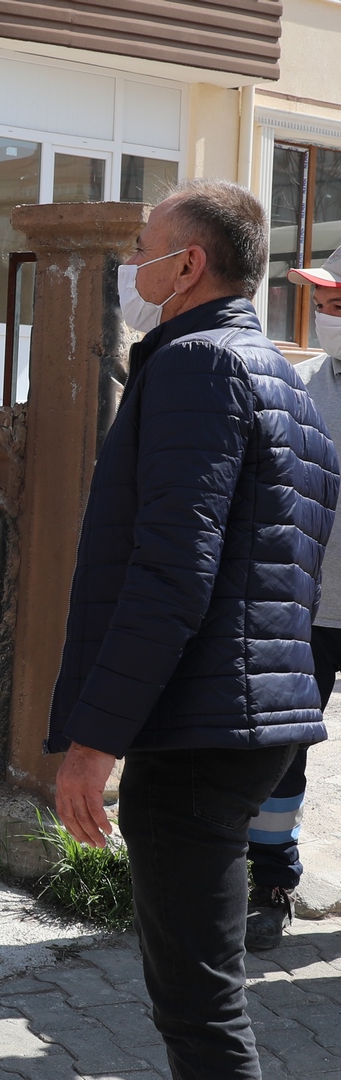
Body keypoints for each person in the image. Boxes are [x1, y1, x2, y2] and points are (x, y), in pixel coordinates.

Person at [49, 179, 339, 1080]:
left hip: (202, 728)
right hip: (251, 717)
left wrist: (94, 741)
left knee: (199, 1006)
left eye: (146, 248)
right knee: (202, 996)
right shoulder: (285, 385)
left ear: (189, 265)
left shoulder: (197, 365)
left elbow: (173, 574)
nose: (134, 265)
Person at [250, 249, 341, 950]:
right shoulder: (299, 385)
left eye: (338, 299)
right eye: (324, 298)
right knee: (281, 750)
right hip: (303, 607)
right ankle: (270, 883)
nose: (325, 310)